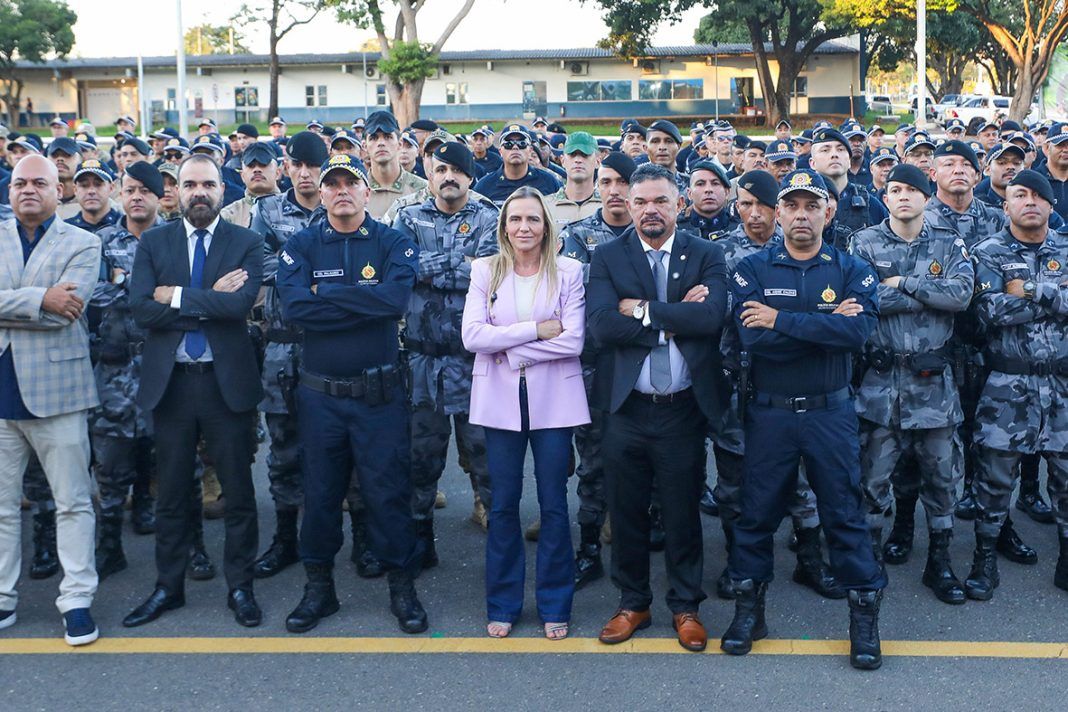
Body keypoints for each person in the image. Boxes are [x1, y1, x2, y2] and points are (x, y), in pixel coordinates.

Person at [723, 169, 887, 670]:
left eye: (811, 206)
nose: (801, 215)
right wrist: (824, 325)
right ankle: (749, 612)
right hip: (770, 414)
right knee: (756, 514)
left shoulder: (852, 269)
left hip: (830, 413)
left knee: (845, 514)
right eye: (791, 205)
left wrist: (782, 320)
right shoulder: (751, 268)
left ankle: (863, 621)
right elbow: (753, 338)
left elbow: (856, 335)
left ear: (828, 213)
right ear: (778, 213)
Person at [276, 153, 428, 635]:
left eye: (350, 183)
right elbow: (295, 308)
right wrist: (363, 301)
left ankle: (402, 587)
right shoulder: (301, 245)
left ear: (366, 192)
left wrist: (325, 295)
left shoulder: (392, 242)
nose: (341, 190)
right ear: (321, 193)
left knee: (388, 493)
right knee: (320, 495)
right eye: (333, 183)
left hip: (378, 396)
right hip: (320, 398)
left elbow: (394, 301)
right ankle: (319, 589)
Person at [588, 163, 729, 653]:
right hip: (626, 407)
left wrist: (642, 310)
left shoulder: (706, 253)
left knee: (681, 510)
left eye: (661, 201)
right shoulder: (607, 256)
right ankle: (633, 603)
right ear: (628, 206)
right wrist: (675, 317)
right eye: (642, 201)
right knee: (626, 510)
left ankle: (686, 606)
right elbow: (603, 326)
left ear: (679, 205)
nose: (651, 210)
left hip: (682, 409)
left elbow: (710, 318)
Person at [124, 154, 264, 630]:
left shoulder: (246, 241)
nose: (199, 192)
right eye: (189, 185)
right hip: (173, 384)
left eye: (207, 184)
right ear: (177, 191)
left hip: (226, 385)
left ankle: (241, 586)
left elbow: (239, 306)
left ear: (222, 189)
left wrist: (178, 296)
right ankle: (169, 586)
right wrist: (209, 299)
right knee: (171, 495)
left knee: (238, 492)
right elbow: (142, 309)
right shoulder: (154, 241)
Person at [461, 186, 588, 639]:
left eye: (533, 219)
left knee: (554, 504)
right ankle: (503, 603)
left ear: (546, 226)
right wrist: (535, 330)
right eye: (515, 219)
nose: (524, 227)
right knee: (503, 504)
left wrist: (511, 349)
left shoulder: (569, 271)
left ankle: (555, 603)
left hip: (555, 402)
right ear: (504, 227)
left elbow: (573, 340)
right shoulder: (485, 270)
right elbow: (473, 336)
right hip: (500, 402)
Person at [850, 164, 973, 605]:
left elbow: (961, 295)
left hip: (934, 389)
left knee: (942, 481)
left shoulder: (948, 241)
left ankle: (939, 562)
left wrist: (903, 282)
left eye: (912, 190)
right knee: (872, 481)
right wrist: (929, 293)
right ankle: (871, 564)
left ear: (926, 197)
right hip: (881, 386)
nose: (903, 196)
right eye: (895, 189)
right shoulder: (864, 242)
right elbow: (862, 298)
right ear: (885, 198)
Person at [0, 154, 102, 646]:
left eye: (39, 182)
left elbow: (68, 311)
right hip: (1, 399)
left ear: (58, 191)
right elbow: (52, 306)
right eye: (20, 182)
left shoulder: (83, 242)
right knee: (2, 508)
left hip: (57, 393)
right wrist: (41, 297)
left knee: (73, 503)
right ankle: (3, 596)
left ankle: (77, 599)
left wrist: (18, 301)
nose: (28, 189)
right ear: (9, 190)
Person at [393, 142, 499, 565]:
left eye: (457, 169)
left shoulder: (490, 217)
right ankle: (421, 537)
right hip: (423, 362)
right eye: (441, 169)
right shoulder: (408, 217)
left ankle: (498, 540)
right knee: (421, 458)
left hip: (476, 363)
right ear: (430, 175)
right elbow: (402, 269)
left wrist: (431, 266)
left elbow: (491, 272)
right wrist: (462, 263)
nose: (449, 176)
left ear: (470, 176)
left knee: (487, 456)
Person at [968, 169, 1068, 599]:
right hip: (1008, 385)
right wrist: (1058, 297)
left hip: (1063, 385)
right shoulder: (987, 252)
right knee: (995, 478)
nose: (1030, 201)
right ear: (1005, 204)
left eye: (1038, 196)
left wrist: (1029, 289)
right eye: (1020, 195)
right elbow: (989, 311)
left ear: (1050, 204)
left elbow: (1012, 301)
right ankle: (985, 558)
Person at [247, 132, 328, 579]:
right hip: (281, 346)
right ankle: (284, 539)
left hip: (331, 345)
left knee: (341, 444)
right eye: (296, 165)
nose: (304, 173)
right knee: (283, 447)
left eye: (312, 165)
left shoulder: (340, 203)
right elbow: (255, 264)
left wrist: (290, 260)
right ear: (286, 167)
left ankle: (353, 538)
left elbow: (354, 266)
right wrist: (312, 269)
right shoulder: (267, 210)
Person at [559, 151, 637, 589]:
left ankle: (637, 543)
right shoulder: (577, 234)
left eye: (622, 183)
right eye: (605, 182)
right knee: (592, 461)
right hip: (592, 364)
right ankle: (589, 547)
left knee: (644, 458)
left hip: (641, 361)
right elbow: (579, 290)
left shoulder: (654, 234)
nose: (613, 191)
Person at [89, 161, 168, 579]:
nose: (136, 197)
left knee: (163, 453)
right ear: (121, 194)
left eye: (145, 191)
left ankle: (159, 520)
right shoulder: (100, 241)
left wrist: (124, 281)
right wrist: (141, 287)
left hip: (162, 362)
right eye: (130, 189)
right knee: (112, 460)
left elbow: (184, 293)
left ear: (159, 197)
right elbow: (92, 293)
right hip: (115, 366)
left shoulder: (175, 239)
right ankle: (109, 546)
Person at [473, 125, 561, 205]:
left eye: (522, 143)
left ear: (530, 150)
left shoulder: (549, 182)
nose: (515, 147)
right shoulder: (484, 186)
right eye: (508, 144)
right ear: (500, 151)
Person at [363, 111, 427, 220]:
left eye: (387, 137)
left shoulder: (422, 189)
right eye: (373, 138)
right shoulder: (358, 190)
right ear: (365, 146)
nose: (381, 143)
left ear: (399, 143)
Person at [546, 132, 602, 227]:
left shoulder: (607, 206)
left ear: (598, 161)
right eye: (572, 154)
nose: (578, 160)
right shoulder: (546, 206)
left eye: (585, 155)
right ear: (563, 160)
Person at [220, 142, 281, 228]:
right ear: (242, 176)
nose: (257, 170)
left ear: (278, 173)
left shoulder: (295, 211)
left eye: (263, 165)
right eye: (251, 165)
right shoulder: (228, 216)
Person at [679, 159, 736, 240]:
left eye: (715, 183)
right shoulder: (675, 230)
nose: (708, 189)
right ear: (689, 193)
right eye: (700, 184)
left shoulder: (739, 229)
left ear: (727, 192)